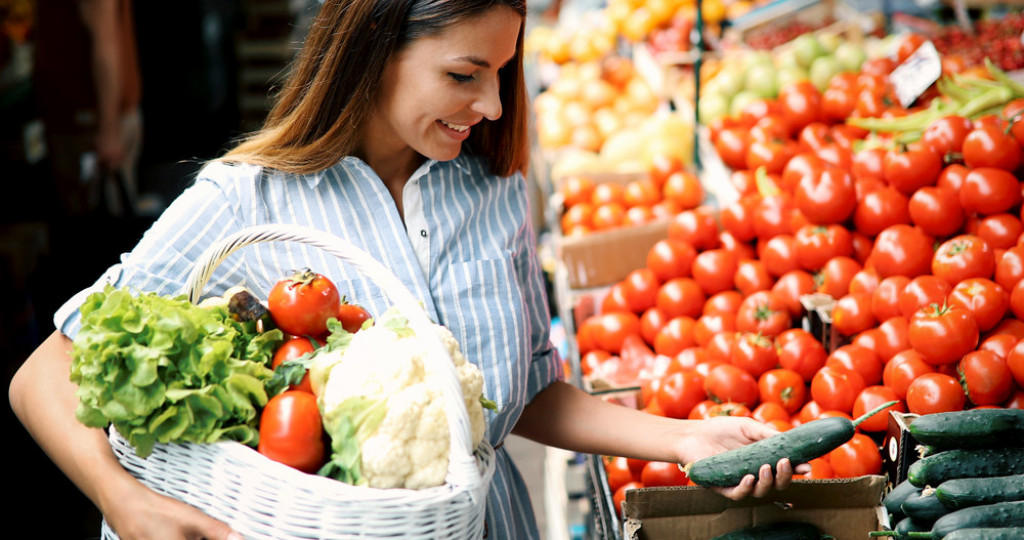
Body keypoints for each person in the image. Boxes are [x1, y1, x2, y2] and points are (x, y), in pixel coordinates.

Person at [9, 1, 801, 538]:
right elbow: (44, 373)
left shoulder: (493, 189)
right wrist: (123, 499)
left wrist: (686, 440)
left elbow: (523, 394)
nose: (491, 105)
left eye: (502, 72)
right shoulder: (245, 200)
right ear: (372, 49)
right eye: (463, 75)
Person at [33, 0, 142, 217]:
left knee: (97, 229)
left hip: (90, 125)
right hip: (89, 121)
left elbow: (106, 45)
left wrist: (108, 130)